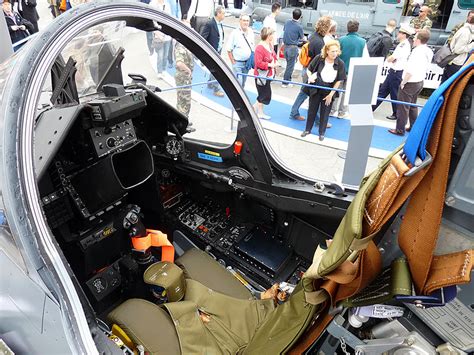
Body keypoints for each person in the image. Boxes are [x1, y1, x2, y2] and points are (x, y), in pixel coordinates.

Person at [389, 29, 433, 136]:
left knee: (403, 107)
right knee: (412, 105)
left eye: (415, 37)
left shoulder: (417, 51)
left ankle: (400, 129)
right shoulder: (428, 51)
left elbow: (411, 70)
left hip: (410, 81)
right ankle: (413, 126)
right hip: (420, 81)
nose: (413, 39)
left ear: (418, 39)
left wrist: (403, 82)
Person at [288, 15, 332, 122]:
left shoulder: (313, 36)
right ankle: (317, 120)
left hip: (306, 69)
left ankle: (294, 112)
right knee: (315, 96)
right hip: (313, 73)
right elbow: (319, 61)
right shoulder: (320, 42)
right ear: (326, 28)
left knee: (304, 93)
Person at [301, 40, 346, 141]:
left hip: (329, 89)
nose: (335, 53)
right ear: (327, 51)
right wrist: (310, 77)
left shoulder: (340, 63)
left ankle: (321, 133)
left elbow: (339, 81)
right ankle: (307, 130)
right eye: (332, 51)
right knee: (312, 110)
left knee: (325, 113)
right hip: (316, 87)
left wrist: (331, 94)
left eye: (336, 51)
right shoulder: (319, 58)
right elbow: (309, 69)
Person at [372, 23, 414, 120]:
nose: (398, 34)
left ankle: (397, 113)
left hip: (396, 72)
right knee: (383, 90)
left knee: (394, 93)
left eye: (400, 32)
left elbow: (392, 58)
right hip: (394, 71)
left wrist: (389, 59)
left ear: (404, 35)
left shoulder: (403, 45)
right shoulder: (404, 44)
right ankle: (371, 107)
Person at [331, 19, 366, 119]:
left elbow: (335, 55)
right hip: (353, 71)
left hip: (339, 70)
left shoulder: (340, 40)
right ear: (357, 29)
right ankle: (342, 112)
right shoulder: (363, 42)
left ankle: (332, 110)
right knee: (347, 93)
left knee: (336, 90)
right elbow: (364, 58)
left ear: (347, 28)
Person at [441, 13, 474, 83]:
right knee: (450, 86)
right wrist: (472, 45)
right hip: (455, 63)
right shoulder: (466, 32)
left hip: (455, 62)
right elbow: (458, 49)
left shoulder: (468, 31)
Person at [253, 27, 278, 120]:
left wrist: (275, 62)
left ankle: (259, 112)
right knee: (264, 95)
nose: (273, 36)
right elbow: (258, 63)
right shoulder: (260, 47)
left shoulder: (270, 45)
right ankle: (252, 109)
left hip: (268, 74)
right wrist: (270, 65)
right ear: (268, 36)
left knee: (263, 94)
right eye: (272, 34)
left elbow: (273, 55)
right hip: (261, 75)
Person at [202, 6, 226, 97]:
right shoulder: (210, 24)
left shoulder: (220, 23)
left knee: (214, 69)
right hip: (212, 52)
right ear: (218, 13)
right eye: (223, 13)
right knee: (218, 71)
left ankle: (210, 83)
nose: (224, 15)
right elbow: (203, 38)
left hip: (218, 51)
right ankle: (216, 89)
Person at [226, 14, 254, 88]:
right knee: (238, 83)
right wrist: (233, 62)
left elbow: (252, 46)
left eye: (247, 21)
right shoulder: (235, 33)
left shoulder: (251, 32)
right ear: (240, 21)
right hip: (237, 63)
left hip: (247, 64)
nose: (246, 22)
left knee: (243, 83)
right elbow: (229, 49)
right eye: (244, 20)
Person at [174, 37, 196, 132]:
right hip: (183, 78)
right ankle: (182, 125)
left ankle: (183, 121)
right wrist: (188, 70)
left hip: (184, 78)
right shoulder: (180, 47)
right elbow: (179, 63)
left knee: (182, 101)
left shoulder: (182, 45)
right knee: (184, 102)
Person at [281, 9, 304, 87]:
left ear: (292, 14)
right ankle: (285, 82)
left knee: (289, 65)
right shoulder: (299, 26)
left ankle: (288, 80)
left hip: (285, 47)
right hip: (293, 48)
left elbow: (285, 31)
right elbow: (302, 38)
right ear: (300, 17)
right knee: (290, 67)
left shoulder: (287, 22)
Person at [150, 0, 172, 79]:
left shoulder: (167, 4)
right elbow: (151, 20)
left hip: (167, 34)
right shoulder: (153, 4)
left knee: (165, 55)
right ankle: (159, 71)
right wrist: (156, 32)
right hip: (158, 34)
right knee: (160, 55)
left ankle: (164, 70)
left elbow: (169, 18)